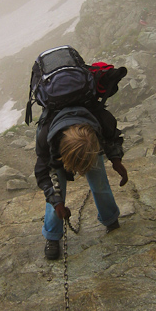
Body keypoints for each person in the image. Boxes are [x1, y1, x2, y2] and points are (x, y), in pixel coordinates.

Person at [35, 104, 128, 260]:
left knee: (99, 180)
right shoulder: (46, 138)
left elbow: (112, 138)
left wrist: (116, 160)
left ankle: (110, 219)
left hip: (89, 145)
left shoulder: (101, 121)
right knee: (60, 189)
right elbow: (44, 174)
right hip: (57, 151)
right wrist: (56, 202)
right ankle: (52, 235)